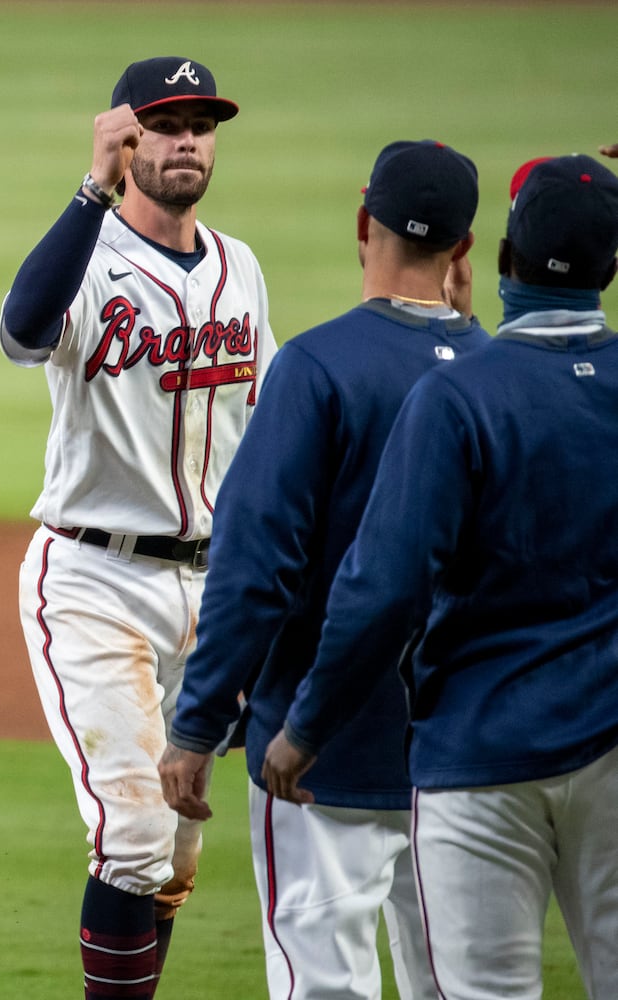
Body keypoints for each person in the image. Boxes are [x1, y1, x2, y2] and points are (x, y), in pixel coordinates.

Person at [260, 154, 618, 999]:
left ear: (496, 259)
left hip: (477, 751)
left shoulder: (461, 398)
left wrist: (304, 728)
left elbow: (384, 588)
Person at [156, 140, 485, 999]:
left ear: (362, 224)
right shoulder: (498, 376)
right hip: (467, 755)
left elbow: (256, 566)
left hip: (316, 755)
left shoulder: (317, 367)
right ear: (464, 247)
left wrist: (197, 725)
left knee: (323, 985)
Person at [0, 57, 273, 999]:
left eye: (202, 122)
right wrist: (88, 192)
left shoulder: (242, 272)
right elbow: (21, 331)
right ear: (127, 135)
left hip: (214, 591)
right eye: (166, 122)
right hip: (93, 580)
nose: (188, 138)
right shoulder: (91, 259)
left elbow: (266, 429)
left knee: (177, 855)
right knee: (133, 834)